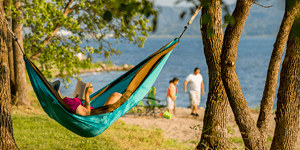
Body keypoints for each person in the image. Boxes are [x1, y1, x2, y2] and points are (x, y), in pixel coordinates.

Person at [54, 81, 122, 116]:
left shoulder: (65, 101)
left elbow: (78, 106)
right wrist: (87, 94)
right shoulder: (67, 103)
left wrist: (79, 97)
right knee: (116, 95)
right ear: (57, 93)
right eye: (57, 89)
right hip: (99, 116)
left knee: (117, 95)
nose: (59, 90)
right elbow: (86, 113)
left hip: (96, 112)